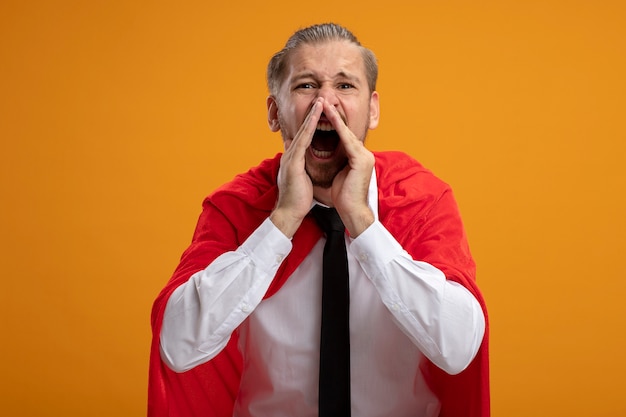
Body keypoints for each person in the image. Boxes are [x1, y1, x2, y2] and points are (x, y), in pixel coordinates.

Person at [148, 23, 489, 417]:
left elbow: (461, 347)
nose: (324, 104)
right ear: (275, 113)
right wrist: (282, 221)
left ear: (372, 109)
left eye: (345, 86)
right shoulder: (237, 208)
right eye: (306, 86)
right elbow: (176, 344)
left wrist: (362, 222)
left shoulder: (422, 200)